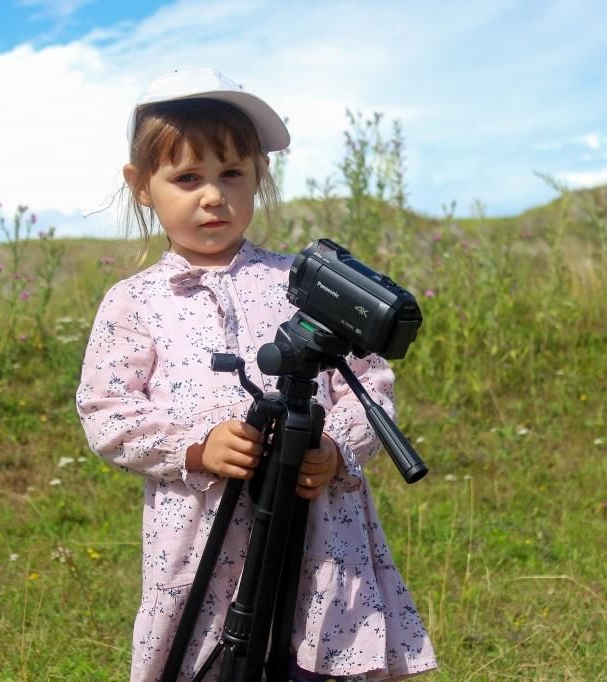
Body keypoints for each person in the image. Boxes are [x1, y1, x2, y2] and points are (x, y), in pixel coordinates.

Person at [76, 67, 437, 681]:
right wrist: (195, 447)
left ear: (259, 176)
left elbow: (367, 380)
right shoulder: (134, 301)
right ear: (142, 186)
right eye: (186, 177)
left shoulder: (304, 281)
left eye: (231, 174)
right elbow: (106, 411)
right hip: (201, 539)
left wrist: (336, 449)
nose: (212, 196)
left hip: (319, 531)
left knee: (318, 659)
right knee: (209, 660)